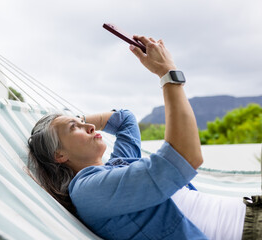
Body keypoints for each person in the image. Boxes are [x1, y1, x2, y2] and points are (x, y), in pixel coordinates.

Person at [27, 36, 259, 239]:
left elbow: (125, 119)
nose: (88, 125)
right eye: (74, 128)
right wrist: (167, 74)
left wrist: (74, 119)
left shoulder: (116, 167)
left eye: (83, 121)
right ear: (59, 155)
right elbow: (184, 158)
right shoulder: (89, 191)